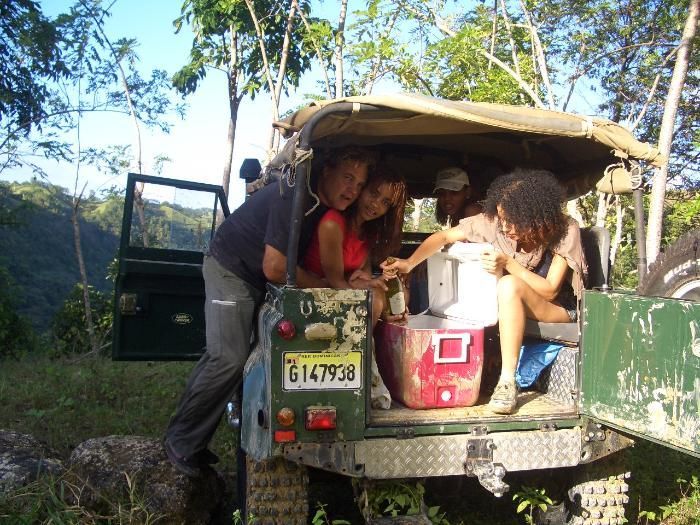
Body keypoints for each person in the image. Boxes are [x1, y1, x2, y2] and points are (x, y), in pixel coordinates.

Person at [164, 146, 374, 477]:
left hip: (258, 280)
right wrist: (324, 285)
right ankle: (181, 443)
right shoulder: (294, 196)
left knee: (245, 358)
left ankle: (197, 438)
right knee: (227, 358)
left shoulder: (324, 209)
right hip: (230, 268)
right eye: (348, 178)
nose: (353, 190)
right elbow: (275, 267)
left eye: (360, 184)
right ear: (326, 171)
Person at [382, 168, 587, 415]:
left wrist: (508, 264)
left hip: (558, 308)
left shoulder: (564, 228)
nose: (506, 227)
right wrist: (409, 263)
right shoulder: (497, 223)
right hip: (513, 302)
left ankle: (507, 382)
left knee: (508, 284)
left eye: (513, 220)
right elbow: (444, 237)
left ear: (533, 215)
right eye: (502, 219)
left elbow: (550, 290)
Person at [303, 164, 407, 408]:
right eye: (373, 193)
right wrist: (364, 285)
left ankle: (366, 364)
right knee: (375, 296)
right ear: (362, 190)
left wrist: (374, 287)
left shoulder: (365, 233)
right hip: (316, 297)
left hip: (342, 293)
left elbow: (361, 276)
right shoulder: (333, 222)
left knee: (385, 293)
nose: (376, 205)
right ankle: (364, 368)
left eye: (385, 202)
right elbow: (336, 280)